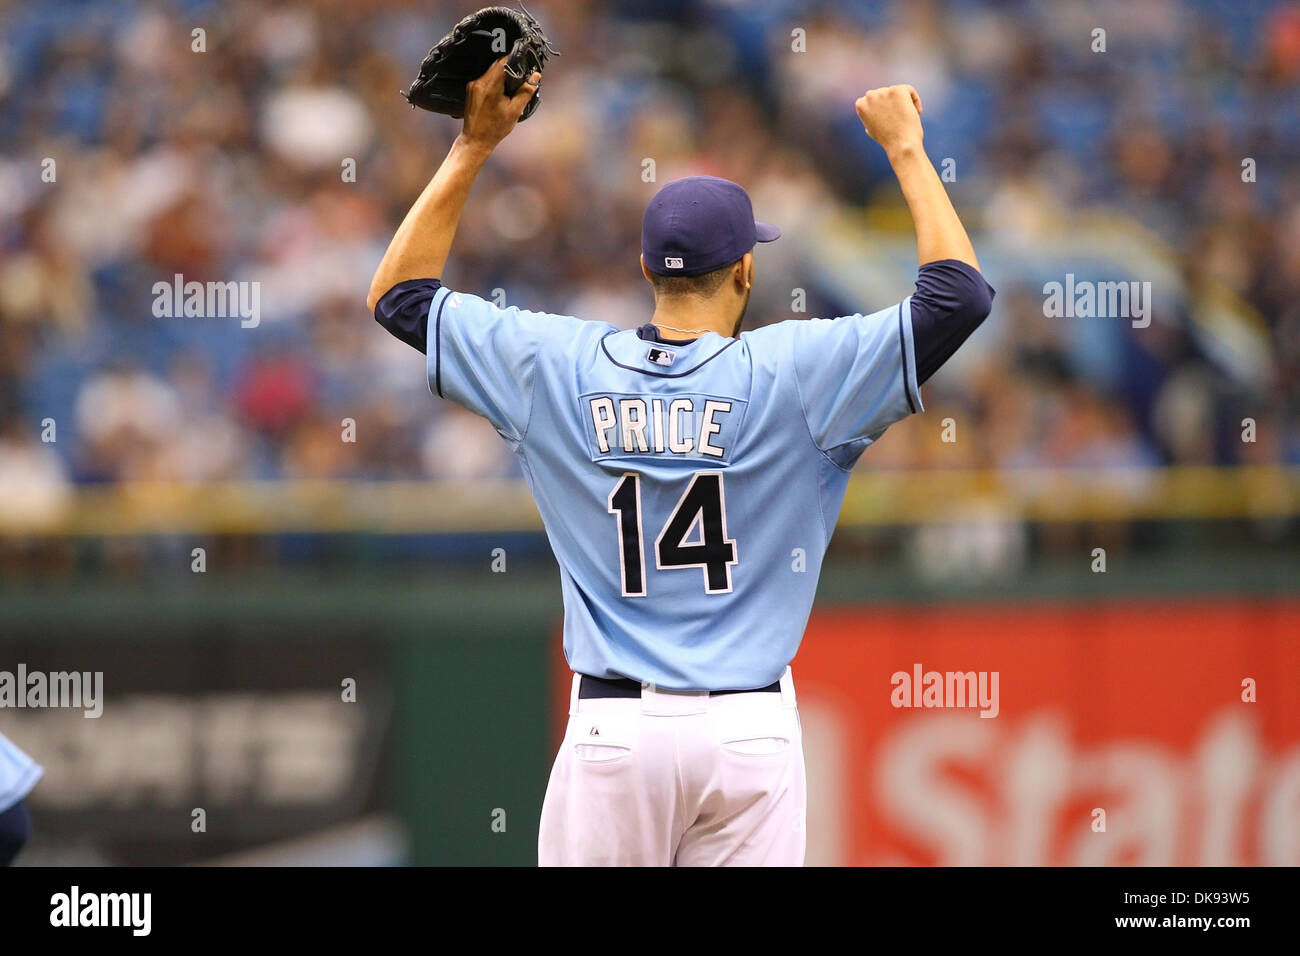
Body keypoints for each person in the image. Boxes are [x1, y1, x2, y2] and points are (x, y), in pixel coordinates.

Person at [367, 61, 993, 866]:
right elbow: (959, 298)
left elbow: (400, 298)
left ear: (644, 271)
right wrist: (907, 150)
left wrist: (473, 144)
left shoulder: (556, 365)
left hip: (614, 734)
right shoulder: (798, 373)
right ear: (745, 269)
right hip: (749, 733)